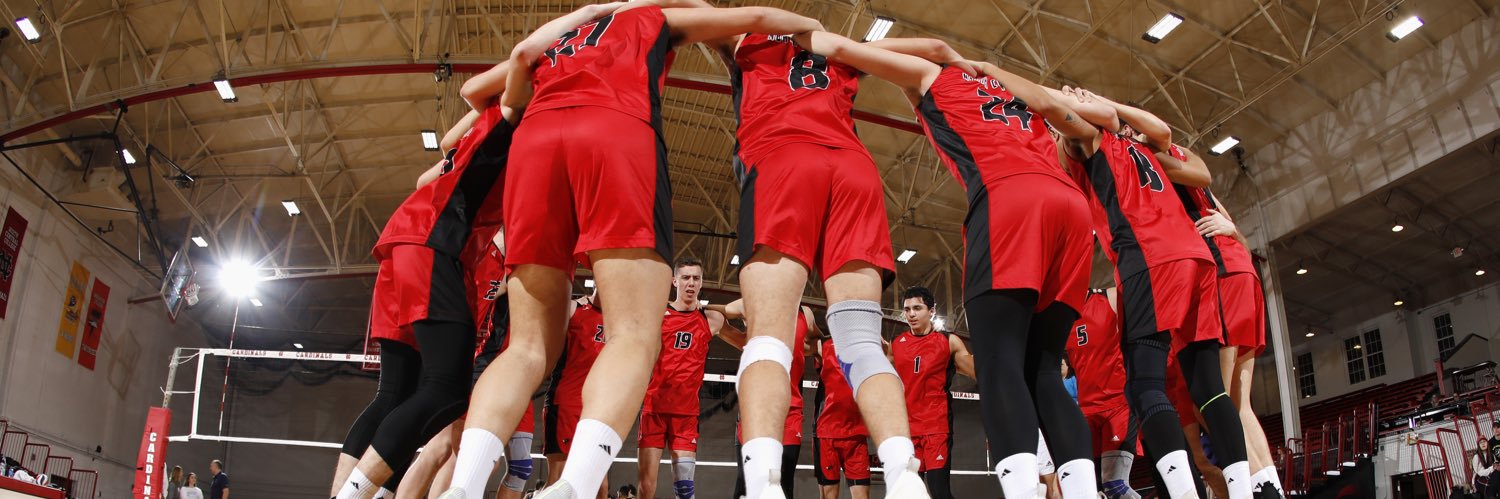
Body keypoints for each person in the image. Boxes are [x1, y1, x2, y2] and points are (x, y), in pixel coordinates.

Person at [442, 3, 823, 498]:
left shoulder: (564, 33)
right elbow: (758, 19)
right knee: (634, 335)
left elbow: (495, 77)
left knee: (526, 347)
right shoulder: (651, 16)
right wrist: (808, 28)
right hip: (615, 131)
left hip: (535, 142)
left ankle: (462, 489)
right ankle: (573, 486)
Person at [798, 32, 1102, 499]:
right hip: (1070, 206)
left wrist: (819, 39)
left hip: (1010, 199)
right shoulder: (1012, 91)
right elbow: (1069, 116)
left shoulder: (931, 75)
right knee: (1042, 371)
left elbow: (886, 51)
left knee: (1000, 367)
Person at [693, 20, 962, 499]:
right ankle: (903, 474)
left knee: (770, 338)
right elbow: (937, 47)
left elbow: (680, 12)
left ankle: (762, 485)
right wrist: (970, 68)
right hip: (853, 169)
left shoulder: (745, 39)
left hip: (783, 159)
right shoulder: (838, 49)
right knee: (861, 342)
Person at [332, 36, 524, 498]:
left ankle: (351, 491)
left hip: (409, 242)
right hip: (432, 241)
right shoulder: (518, 113)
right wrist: (586, 19)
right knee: (446, 389)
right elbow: (518, 60)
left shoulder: (477, 130)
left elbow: (436, 158)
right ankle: (359, 492)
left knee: (396, 392)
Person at [1053, 86, 1252, 499]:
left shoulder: (1112, 147)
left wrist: (1077, 104)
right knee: (1209, 392)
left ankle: (1189, 493)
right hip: (1200, 261)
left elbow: (1198, 171)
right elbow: (1186, 157)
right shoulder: (1145, 151)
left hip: (1154, 263)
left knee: (1147, 387)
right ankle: (1243, 491)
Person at [1159, 143, 1284, 497]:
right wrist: (1230, 228)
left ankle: (1263, 491)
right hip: (1242, 274)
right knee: (1238, 403)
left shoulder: (1159, 168)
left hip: (1223, 277)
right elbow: (1241, 238)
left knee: (1216, 401)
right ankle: (1271, 486)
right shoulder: (1197, 181)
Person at [637, 258, 742, 499]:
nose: (691, 283)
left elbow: (743, 342)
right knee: (646, 488)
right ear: (675, 281)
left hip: (686, 414)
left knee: (685, 490)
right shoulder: (657, 315)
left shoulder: (711, 319)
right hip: (654, 409)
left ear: (702, 282)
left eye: (696, 278)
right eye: (685, 277)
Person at [715, 299, 812, 499]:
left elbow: (816, 340)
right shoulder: (752, 301)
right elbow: (724, 311)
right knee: (746, 485)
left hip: (790, 412)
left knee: (783, 484)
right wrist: (699, 306)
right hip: (755, 411)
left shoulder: (805, 312)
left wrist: (807, 350)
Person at [889, 286, 976, 499]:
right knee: (910, 493)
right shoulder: (896, 345)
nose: (911, 314)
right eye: (907, 309)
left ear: (931, 311)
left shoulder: (948, 341)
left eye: (917, 308)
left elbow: (976, 372)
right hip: (907, 431)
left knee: (940, 492)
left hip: (937, 428)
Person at [1064, 288, 1141, 499]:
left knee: (1116, 486)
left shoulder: (1109, 297)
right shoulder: (1059, 317)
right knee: (1089, 491)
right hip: (1087, 412)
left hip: (1117, 405)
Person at [542, 289, 611, 499]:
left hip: (598, 410)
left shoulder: (618, 319)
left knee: (600, 487)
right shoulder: (573, 308)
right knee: (559, 479)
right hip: (565, 402)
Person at [812, 333, 871, 499]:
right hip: (827, 432)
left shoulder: (868, 343)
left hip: (856, 434)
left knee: (863, 496)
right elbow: (793, 343)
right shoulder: (822, 344)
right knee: (829, 496)